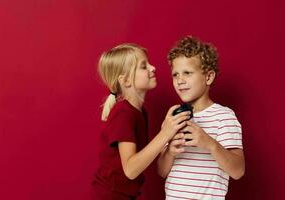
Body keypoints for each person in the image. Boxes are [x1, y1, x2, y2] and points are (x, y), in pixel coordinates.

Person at [91, 43, 190, 200]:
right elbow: (131, 170)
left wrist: (168, 141)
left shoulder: (140, 112)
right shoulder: (123, 112)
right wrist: (165, 133)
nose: (153, 68)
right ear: (126, 81)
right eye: (144, 66)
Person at [157, 36, 245, 199]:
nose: (180, 80)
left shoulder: (224, 116)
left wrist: (209, 143)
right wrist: (169, 152)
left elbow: (238, 171)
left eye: (187, 73)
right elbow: (162, 172)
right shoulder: (173, 117)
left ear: (208, 77)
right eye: (175, 74)